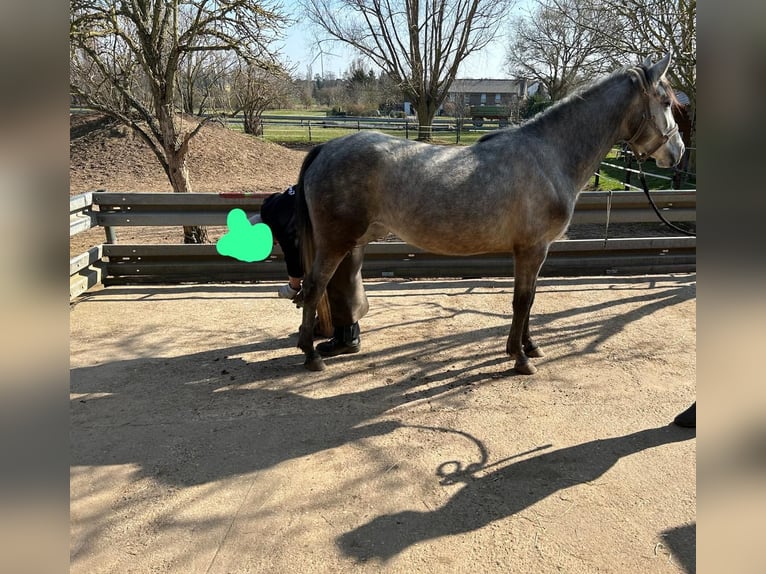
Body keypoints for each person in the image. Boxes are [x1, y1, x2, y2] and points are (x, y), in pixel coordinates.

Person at [258, 185, 303, 300]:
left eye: (272, 244)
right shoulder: (270, 204)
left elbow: (292, 257)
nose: (275, 244)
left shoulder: (281, 227)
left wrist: (293, 288)